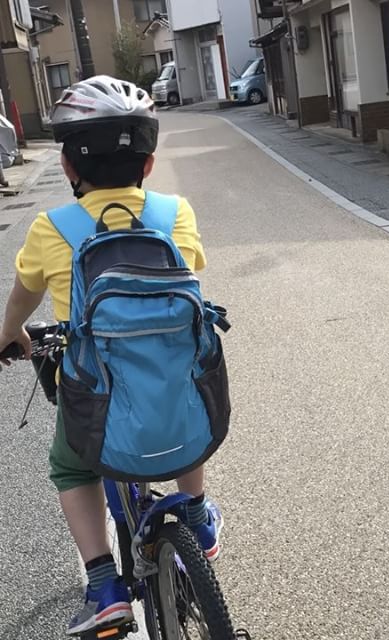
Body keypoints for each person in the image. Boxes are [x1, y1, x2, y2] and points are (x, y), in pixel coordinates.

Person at [0, 76, 222, 636]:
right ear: (148, 165)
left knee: (71, 464)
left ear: (69, 167)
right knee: (180, 396)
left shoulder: (52, 227)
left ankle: (103, 585)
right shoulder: (176, 213)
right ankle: (195, 515)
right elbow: (189, 273)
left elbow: (24, 294)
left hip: (94, 393)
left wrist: (11, 333)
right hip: (172, 380)